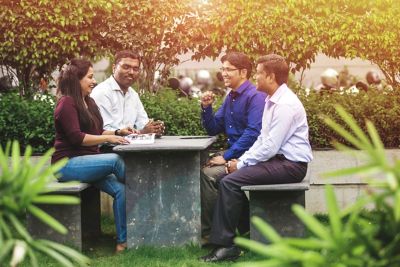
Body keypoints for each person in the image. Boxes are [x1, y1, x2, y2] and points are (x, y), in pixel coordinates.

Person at [200, 54, 313, 262]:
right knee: (227, 180)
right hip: (278, 161)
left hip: (290, 165)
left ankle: (226, 246)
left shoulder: (284, 104)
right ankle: (243, 234)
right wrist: (238, 163)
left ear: (270, 76)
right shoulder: (272, 99)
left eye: (259, 74)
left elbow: (270, 146)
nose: (256, 78)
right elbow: (262, 139)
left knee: (229, 182)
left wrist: (240, 163)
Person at [51, 58, 130, 253]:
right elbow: (77, 138)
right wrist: (109, 141)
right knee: (115, 160)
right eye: (90, 77)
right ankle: (144, 183)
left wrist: (118, 132)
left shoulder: (89, 101)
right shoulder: (66, 103)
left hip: (88, 163)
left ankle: (123, 242)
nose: (93, 81)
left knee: (121, 190)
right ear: (76, 79)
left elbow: (98, 131)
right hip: (67, 165)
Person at [200, 52, 266, 243]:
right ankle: (245, 226)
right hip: (235, 154)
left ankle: (210, 233)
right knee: (204, 168)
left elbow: (253, 133)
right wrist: (206, 108)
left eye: (229, 69)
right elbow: (214, 128)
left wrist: (227, 156)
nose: (224, 73)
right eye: (222, 69)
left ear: (243, 72)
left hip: (250, 157)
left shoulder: (255, 97)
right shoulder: (231, 97)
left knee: (208, 175)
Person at [91, 50, 164, 139]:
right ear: (114, 68)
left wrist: (154, 129)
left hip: (129, 146)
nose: (131, 72)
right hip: (107, 149)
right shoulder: (102, 92)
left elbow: (143, 124)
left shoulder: (133, 95)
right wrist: (142, 133)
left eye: (135, 69)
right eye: (126, 67)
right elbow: (103, 132)